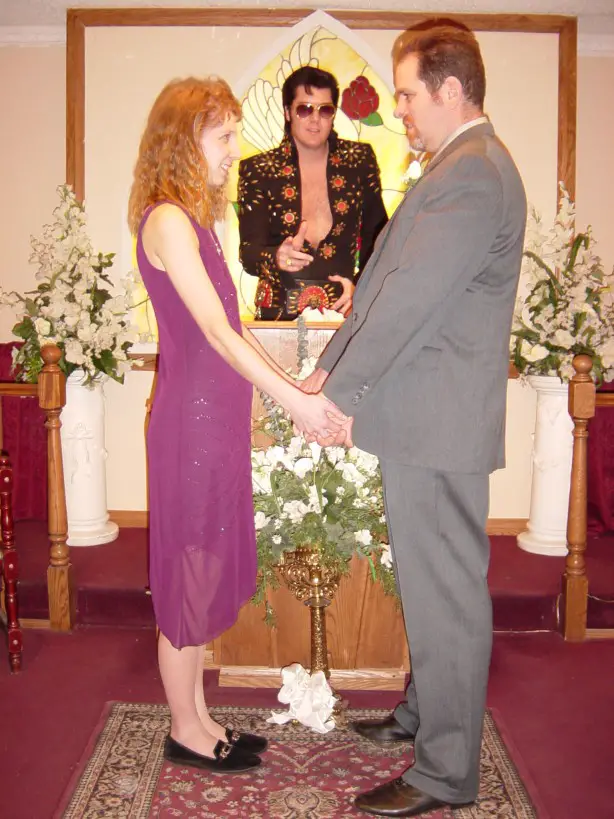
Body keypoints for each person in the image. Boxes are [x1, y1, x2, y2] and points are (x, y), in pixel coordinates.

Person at [302, 23, 527, 817]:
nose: (398, 109)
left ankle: (443, 773)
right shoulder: (460, 167)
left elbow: (409, 300)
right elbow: (386, 282)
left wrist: (338, 394)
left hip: (437, 423)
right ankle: (423, 717)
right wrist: (330, 369)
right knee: (433, 589)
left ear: (451, 91)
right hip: (427, 418)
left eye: (406, 94)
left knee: (449, 596)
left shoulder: (474, 173)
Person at [127, 77, 346, 775]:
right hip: (190, 429)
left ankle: (197, 715)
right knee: (185, 579)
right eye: (222, 135)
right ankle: (185, 728)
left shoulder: (193, 222)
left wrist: (283, 394)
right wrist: (296, 403)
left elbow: (238, 334)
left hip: (211, 425)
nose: (234, 149)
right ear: (184, 142)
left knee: (201, 569)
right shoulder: (165, 221)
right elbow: (219, 335)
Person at [237, 66, 388, 321]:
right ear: (288, 112)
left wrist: (361, 287)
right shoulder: (260, 170)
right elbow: (249, 253)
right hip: (278, 317)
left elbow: (380, 239)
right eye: (305, 109)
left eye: (325, 110)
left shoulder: (359, 161)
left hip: (345, 314)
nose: (315, 119)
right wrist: (276, 257)